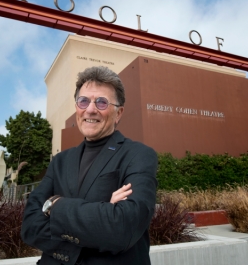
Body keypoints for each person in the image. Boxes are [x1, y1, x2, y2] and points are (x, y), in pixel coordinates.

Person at [21, 66, 158, 264]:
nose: (90, 109)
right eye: (83, 101)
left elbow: (123, 228)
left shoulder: (138, 155)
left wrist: (54, 205)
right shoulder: (60, 161)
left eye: (101, 102)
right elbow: (30, 226)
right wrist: (103, 211)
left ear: (118, 113)